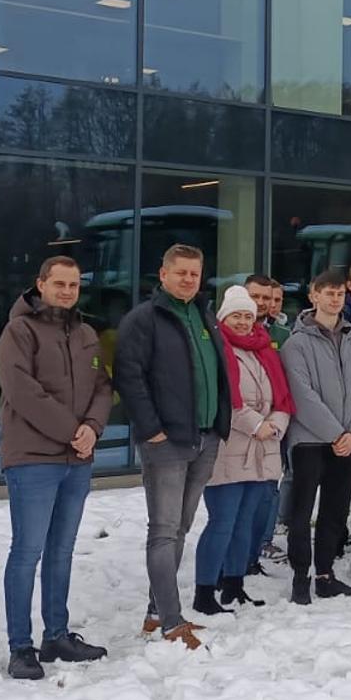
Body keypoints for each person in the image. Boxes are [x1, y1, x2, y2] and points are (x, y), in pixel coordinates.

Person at [0, 256, 113, 680]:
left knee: (62, 552)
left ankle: (56, 635)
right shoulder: (19, 331)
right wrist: (73, 430)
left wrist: (93, 428)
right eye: (59, 283)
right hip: (33, 459)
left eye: (74, 284)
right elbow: (23, 392)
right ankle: (20, 647)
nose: (67, 291)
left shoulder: (85, 333)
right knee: (27, 552)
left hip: (77, 459)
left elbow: (103, 386)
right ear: (40, 284)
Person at [113, 244, 231, 650]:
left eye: (194, 274)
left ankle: (155, 611)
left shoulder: (203, 315)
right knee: (164, 531)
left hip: (205, 437)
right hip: (166, 441)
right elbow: (129, 378)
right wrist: (152, 430)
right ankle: (170, 620)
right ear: (162, 275)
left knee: (180, 528)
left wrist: (219, 425)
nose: (188, 280)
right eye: (180, 272)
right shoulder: (143, 320)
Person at [193, 286, 294, 614]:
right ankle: (206, 589)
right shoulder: (218, 349)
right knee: (223, 521)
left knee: (246, 521)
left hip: (264, 446)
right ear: (224, 317)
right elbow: (225, 397)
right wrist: (255, 424)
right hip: (230, 446)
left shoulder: (264, 349)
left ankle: (234, 586)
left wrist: (276, 422)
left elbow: (281, 395)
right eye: (236, 315)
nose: (242, 322)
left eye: (248, 316)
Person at [279, 270, 351, 604]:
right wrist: (336, 432)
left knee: (335, 511)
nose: (335, 299)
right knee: (302, 512)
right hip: (310, 442)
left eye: (339, 293)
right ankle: (300, 576)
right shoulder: (297, 343)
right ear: (313, 296)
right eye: (328, 293)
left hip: (347, 443)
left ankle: (325, 574)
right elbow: (301, 396)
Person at [243, 274, 291, 569]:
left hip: (276, 422)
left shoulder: (283, 335)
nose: (267, 304)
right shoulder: (230, 331)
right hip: (244, 423)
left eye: (274, 299)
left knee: (270, 487)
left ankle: (263, 539)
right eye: (259, 298)